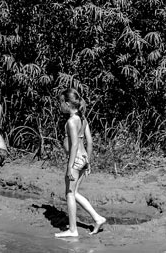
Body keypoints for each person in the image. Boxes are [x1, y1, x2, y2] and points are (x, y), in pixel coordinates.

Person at [55, 88, 106, 238]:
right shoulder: (83, 119)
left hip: (75, 160)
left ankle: (72, 229)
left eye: (61, 103)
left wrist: (70, 166)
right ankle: (98, 218)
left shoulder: (72, 121)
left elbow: (75, 145)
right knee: (75, 192)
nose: (60, 106)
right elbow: (89, 142)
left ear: (67, 103)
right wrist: (88, 161)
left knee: (69, 194)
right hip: (83, 159)